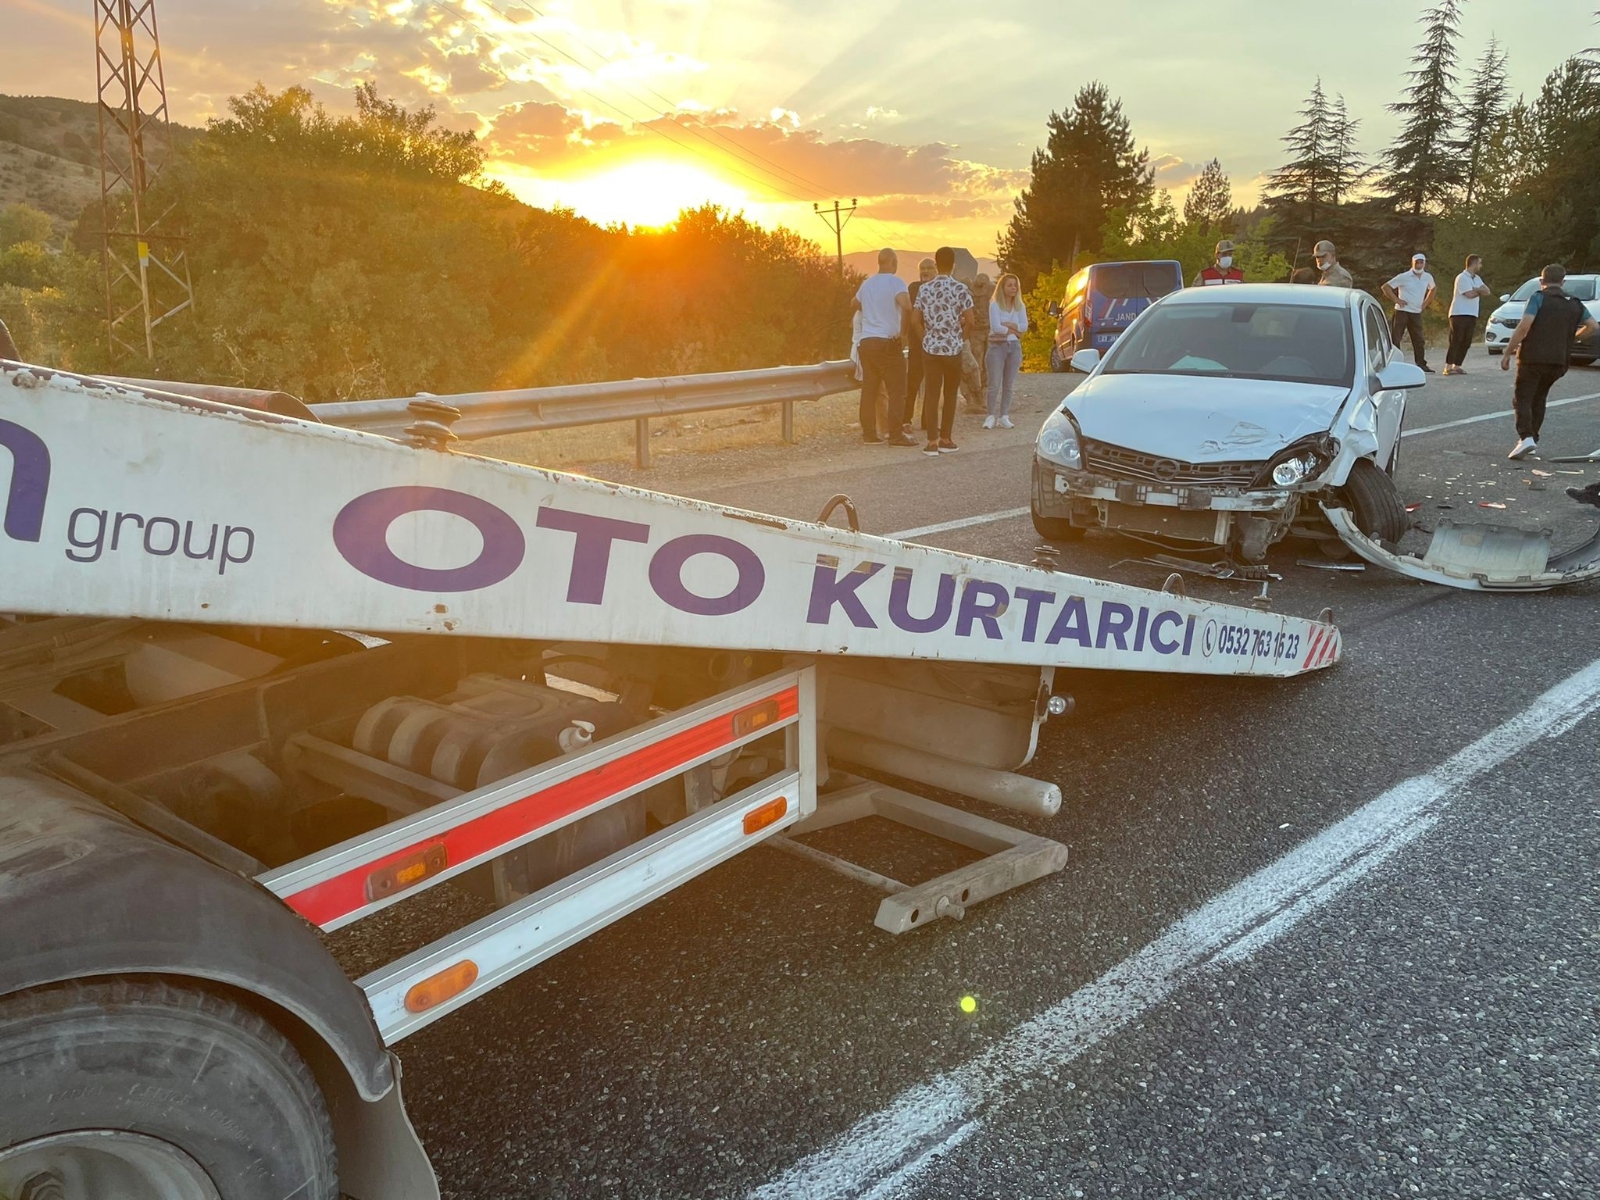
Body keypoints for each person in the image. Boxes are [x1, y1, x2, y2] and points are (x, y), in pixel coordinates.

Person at [1500, 263, 1598, 460]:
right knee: (1540, 397)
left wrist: (1508, 351)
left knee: (1523, 397)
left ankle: (1526, 437)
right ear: (1563, 282)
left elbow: (1524, 326)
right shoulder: (1575, 303)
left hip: (1533, 357)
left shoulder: (1538, 298)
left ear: (1541, 281)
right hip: (1558, 360)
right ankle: (1532, 439)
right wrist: (1574, 337)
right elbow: (1593, 326)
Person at [850, 247, 918, 446]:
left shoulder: (867, 283)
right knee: (897, 390)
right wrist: (904, 334)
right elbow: (907, 306)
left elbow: (853, 303)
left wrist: (872, 309)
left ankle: (869, 434)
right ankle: (895, 435)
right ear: (894, 262)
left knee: (869, 390)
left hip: (867, 342)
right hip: (888, 342)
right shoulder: (896, 282)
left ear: (879, 262)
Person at [912, 245, 974, 455]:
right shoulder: (960, 289)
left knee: (931, 393)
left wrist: (925, 339)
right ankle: (946, 439)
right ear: (953, 265)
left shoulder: (925, 289)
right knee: (949, 393)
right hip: (952, 348)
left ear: (936, 265)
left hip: (931, 348)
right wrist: (960, 339)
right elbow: (971, 320)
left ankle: (931, 442)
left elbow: (915, 320)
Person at [984, 273, 1028, 429]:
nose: (1013, 288)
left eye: (1015, 285)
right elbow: (996, 328)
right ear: (1002, 287)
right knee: (994, 383)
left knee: (1008, 384)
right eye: (1009, 285)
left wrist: (1009, 326)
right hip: (997, 347)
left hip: (1014, 347)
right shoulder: (995, 305)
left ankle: (1004, 416)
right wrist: (1014, 328)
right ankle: (990, 416)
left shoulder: (1020, 306)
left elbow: (1024, 327)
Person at [1381, 253, 1436, 372]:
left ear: (1424, 263)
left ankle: (1421, 363)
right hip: (1402, 311)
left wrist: (1425, 304)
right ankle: (1394, 363)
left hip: (1416, 312)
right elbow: (1386, 287)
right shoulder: (1404, 276)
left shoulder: (1427, 277)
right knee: (1396, 338)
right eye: (1417, 262)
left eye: (1421, 262)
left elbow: (1433, 289)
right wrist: (1397, 300)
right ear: (1412, 263)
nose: (1419, 264)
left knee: (1419, 339)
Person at [1444, 254, 1493, 375]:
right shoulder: (1462, 278)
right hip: (1459, 313)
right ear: (1474, 263)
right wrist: (1478, 290)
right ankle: (1448, 366)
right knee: (1456, 339)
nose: (1481, 266)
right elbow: (1468, 295)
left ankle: (1457, 365)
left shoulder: (1477, 278)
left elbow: (1487, 291)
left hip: (1471, 313)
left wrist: (1476, 289)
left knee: (1466, 341)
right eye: (1479, 263)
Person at [904, 257, 936, 432]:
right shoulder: (914, 288)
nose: (925, 271)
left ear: (936, 270)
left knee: (932, 385)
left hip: (935, 345)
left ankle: (927, 421)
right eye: (922, 268)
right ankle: (906, 420)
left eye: (929, 267)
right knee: (913, 383)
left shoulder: (940, 289)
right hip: (917, 344)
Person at [961, 272, 994, 413]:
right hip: (975, 331)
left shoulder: (991, 289)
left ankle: (981, 397)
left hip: (988, 330)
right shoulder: (966, 289)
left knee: (986, 365)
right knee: (975, 365)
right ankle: (974, 397)